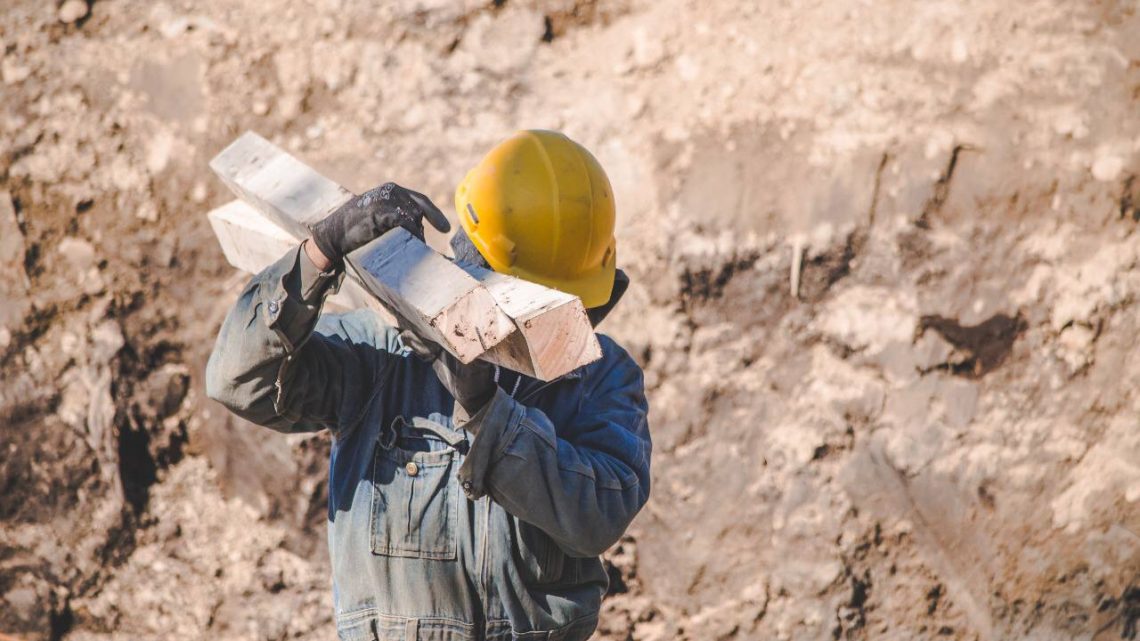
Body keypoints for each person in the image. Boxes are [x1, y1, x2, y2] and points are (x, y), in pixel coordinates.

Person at [206, 130, 652, 641]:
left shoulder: (600, 377)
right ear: (470, 260)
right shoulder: (378, 357)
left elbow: (599, 516)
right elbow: (238, 381)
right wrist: (320, 254)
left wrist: (488, 411)